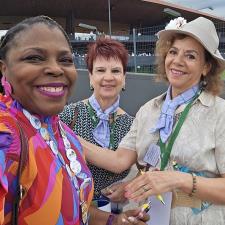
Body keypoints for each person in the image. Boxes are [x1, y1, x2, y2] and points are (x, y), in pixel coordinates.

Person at [0, 15, 148, 225]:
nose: (55, 68)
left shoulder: (60, 129)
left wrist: (113, 220)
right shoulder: (7, 134)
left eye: (65, 60)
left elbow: (76, 207)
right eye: (34, 58)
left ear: (125, 77)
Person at [80, 16, 225, 224]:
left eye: (191, 56)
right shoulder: (148, 111)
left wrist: (178, 179)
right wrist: (132, 186)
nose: (177, 61)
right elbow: (120, 160)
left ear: (206, 68)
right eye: (173, 52)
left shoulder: (219, 114)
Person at [59, 37, 134, 201]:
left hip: (114, 215)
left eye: (115, 71)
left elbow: (147, 170)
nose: (108, 77)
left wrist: (128, 185)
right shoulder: (68, 116)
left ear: (124, 78)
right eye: (100, 70)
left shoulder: (132, 125)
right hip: (71, 211)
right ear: (91, 77)